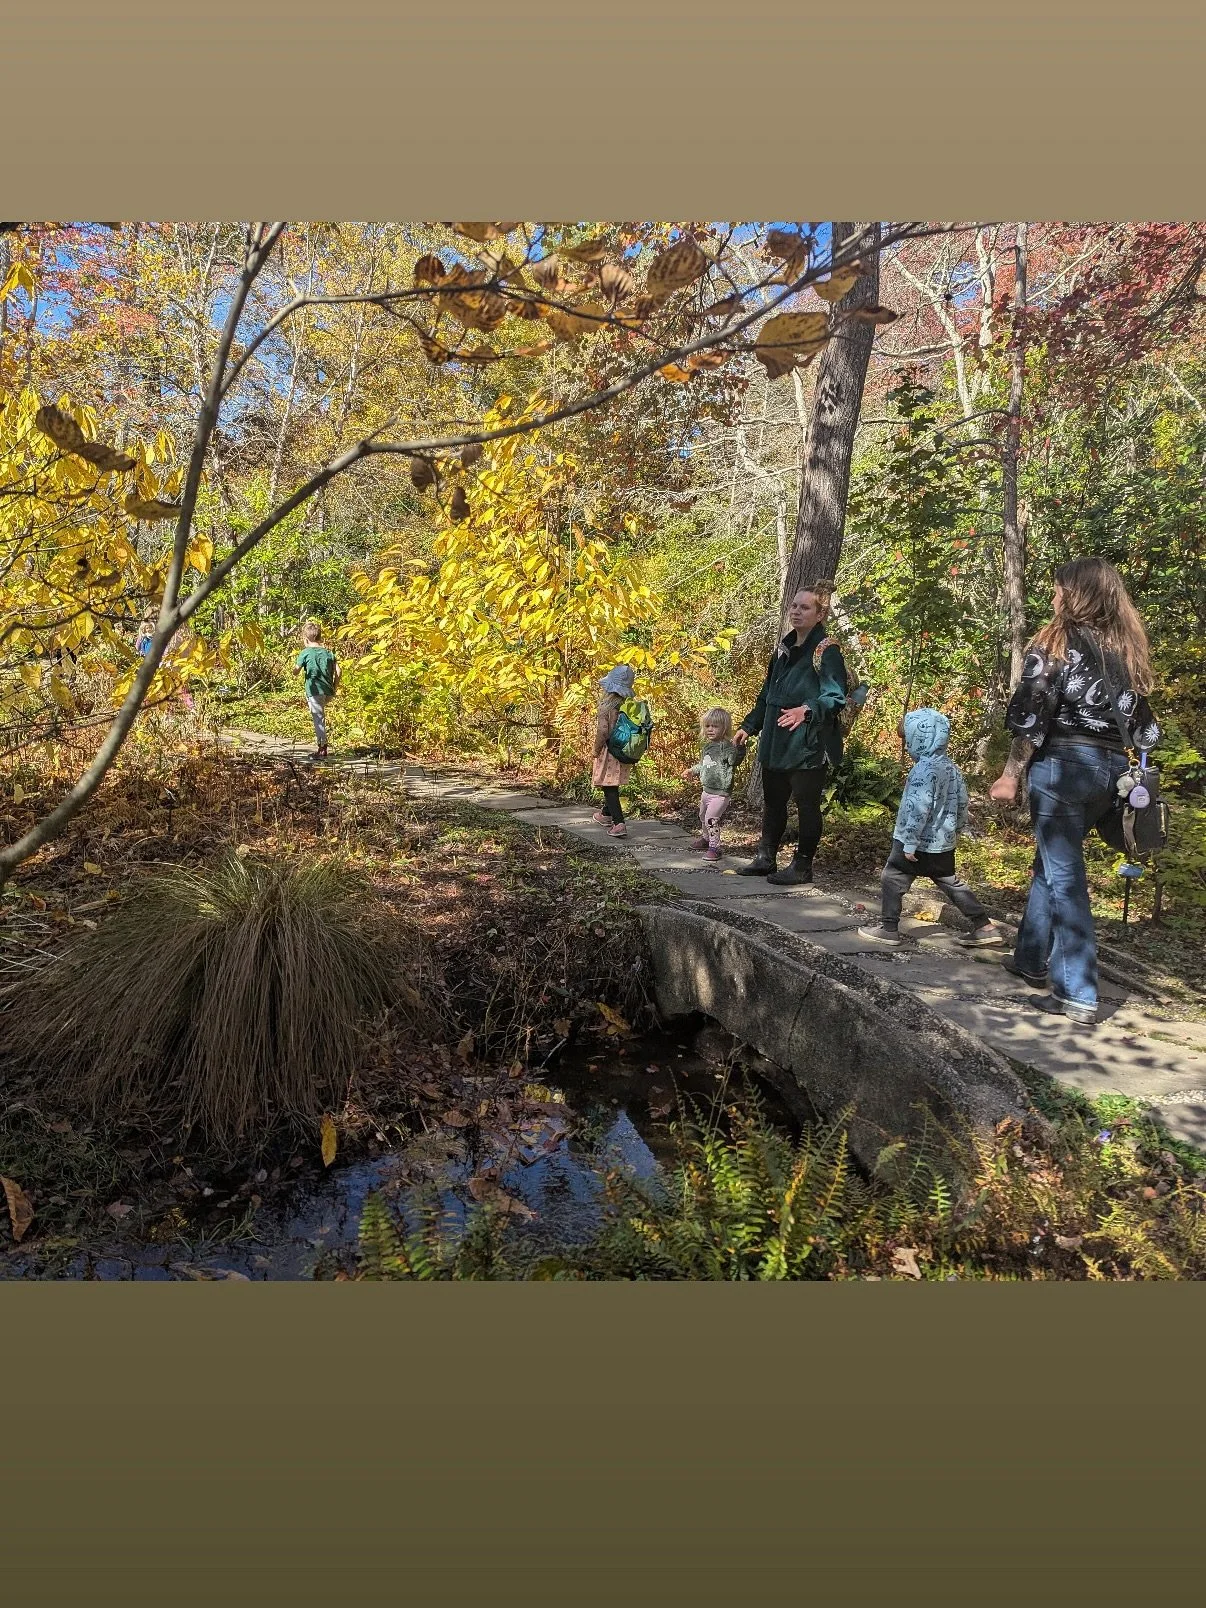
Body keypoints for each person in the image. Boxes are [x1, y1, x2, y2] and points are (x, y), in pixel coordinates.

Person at [988, 557, 1160, 1027]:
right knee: (1052, 863)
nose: (1053, 596)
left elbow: (1030, 718)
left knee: (1065, 877)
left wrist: (1010, 775)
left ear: (1076, 594)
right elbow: (1147, 734)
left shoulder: (1054, 644)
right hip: (1108, 772)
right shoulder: (1125, 653)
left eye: (1059, 589)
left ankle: (1078, 992)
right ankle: (1028, 959)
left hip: (1061, 768)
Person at [858, 709, 1003, 947]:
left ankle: (888, 928)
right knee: (950, 882)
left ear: (920, 739)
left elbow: (917, 808)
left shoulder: (923, 770)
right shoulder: (951, 768)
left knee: (892, 877)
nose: (907, 747)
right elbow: (962, 802)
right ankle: (984, 926)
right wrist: (956, 830)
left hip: (915, 842)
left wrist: (909, 841)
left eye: (909, 740)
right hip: (942, 842)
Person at [733, 583, 847, 885]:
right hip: (774, 741)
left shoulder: (827, 650)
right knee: (774, 801)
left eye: (804, 607)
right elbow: (766, 693)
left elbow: (835, 697)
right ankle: (765, 858)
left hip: (806, 744)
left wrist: (805, 710)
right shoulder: (783, 647)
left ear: (820, 613)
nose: (796, 611)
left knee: (807, 805)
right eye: (794, 606)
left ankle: (802, 866)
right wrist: (749, 725)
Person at [681, 706, 746, 862]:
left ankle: (715, 847)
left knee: (711, 818)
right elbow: (704, 764)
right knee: (703, 816)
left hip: (720, 792)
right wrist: (692, 770)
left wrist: (739, 748)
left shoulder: (726, 747)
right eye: (708, 726)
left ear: (724, 728)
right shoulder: (707, 746)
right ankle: (705, 839)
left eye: (715, 726)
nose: (710, 729)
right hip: (706, 790)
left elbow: (735, 760)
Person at [591, 664, 636, 837]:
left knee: (609, 787)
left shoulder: (606, 708)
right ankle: (605, 814)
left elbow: (603, 731)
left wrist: (595, 750)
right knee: (611, 783)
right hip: (624, 751)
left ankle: (619, 823)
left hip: (609, 751)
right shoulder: (629, 705)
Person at [295, 620, 339, 759]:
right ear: (319, 637)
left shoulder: (306, 653)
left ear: (305, 639)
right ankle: (322, 745)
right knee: (319, 715)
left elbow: (296, 671)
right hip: (328, 691)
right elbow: (339, 671)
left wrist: (295, 669)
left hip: (314, 691)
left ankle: (322, 749)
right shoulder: (328, 653)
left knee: (318, 719)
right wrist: (334, 687)